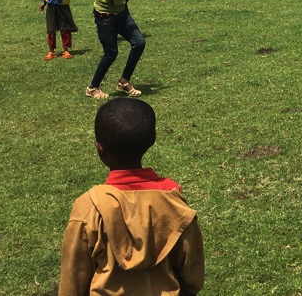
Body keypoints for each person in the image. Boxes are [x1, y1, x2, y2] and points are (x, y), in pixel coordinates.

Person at [59, 98, 205, 295]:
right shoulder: (172, 197)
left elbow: (73, 276)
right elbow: (192, 268)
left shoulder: (89, 207)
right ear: (152, 140)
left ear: (99, 148)